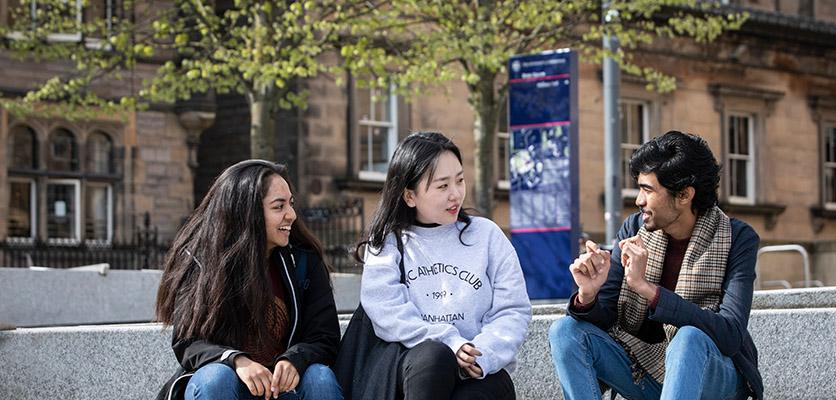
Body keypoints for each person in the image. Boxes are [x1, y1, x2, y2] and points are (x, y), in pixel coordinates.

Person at [548, 131, 763, 400]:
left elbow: (730, 334)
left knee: (688, 339)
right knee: (566, 331)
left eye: (648, 190)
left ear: (684, 195)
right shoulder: (634, 229)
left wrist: (649, 290)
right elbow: (606, 319)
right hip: (645, 370)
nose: (639, 200)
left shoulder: (737, 238)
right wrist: (589, 295)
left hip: (716, 378)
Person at [348, 131, 532, 400]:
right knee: (434, 358)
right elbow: (386, 311)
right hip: (413, 373)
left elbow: (512, 310)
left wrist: (480, 354)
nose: (455, 194)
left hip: (479, 371)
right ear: (410, 196)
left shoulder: (487, 236)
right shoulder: (388, 242)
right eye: (442, 186)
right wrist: (449, 342)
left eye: (459, 180)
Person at [155, 160, 343, 400]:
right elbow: (188, 342)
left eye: (291, 204)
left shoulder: (304, 262)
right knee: (216, 379)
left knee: (319, 378)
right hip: (228, 387)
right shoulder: (202, 263)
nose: (292, 215)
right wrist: (236, 361)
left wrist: (295, 359)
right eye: (279, 206)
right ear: (247, 212)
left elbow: (325, 337)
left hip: (282, 391)